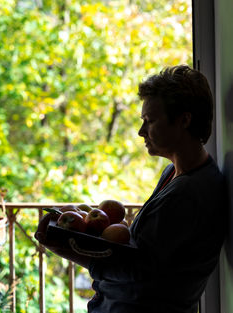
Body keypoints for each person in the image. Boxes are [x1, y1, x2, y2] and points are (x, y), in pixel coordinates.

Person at [35, 65, 227, 313]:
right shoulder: (174, 174)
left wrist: (63, 247)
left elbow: (136, 270)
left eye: (149, 120)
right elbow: (146, 255)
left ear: (184, 120)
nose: (141, 131)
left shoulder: (189, 193)